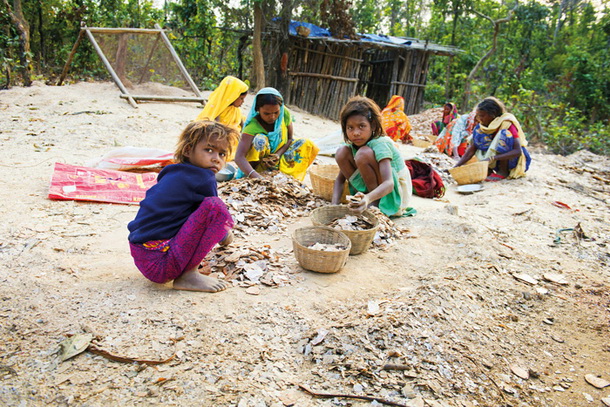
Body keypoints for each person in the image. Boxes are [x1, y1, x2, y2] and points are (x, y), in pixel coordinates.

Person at [128, 121, 238, 292]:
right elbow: (214, 216)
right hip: (160, 264)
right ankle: (188, 276)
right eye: (209, 150)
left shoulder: (172, 171)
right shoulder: (204, 178)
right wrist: (225, 235)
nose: (216, 158)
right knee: (216, 208)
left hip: (143, 256)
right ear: (188, 151)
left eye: (222, 154)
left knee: (207, 209)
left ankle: (186, 271)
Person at [332, 96, 412, 217]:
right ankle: (364, 200)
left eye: (362, 126)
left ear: (373, 126)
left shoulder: (380, 143)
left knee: (363, 154)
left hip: (395, 195)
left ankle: (374, 204)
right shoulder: (353, 145)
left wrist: (368, 198)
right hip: (371, 194)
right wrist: (333, 206)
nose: (356, 133)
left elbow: (389, 183)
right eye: (350, 128)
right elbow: (340, 180)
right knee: (341, 152)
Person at [234, 87, 319, 182]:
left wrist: (278, 155)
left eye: (276, 112)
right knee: (260, 140)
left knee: (306, 143)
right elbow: (239, 157)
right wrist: (256, 177)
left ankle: (290, 179)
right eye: (266, 113)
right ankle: (260, 176)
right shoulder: (252, 126)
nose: (272, 117)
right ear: (258, 109)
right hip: (260, 167)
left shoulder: (284, 114)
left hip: (281, 158)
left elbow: (290, 139)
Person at [454, 97, 531, 181]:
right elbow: (472, 150)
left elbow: (517, 151)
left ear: (493, 114)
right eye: (478, 116)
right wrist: (455, 168)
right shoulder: (482, 127)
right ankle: (488, 171)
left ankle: (503, 172)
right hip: (495, 161)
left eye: (482, 116)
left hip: (512, 162)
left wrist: (493, 158)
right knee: (476, 136)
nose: (480, 119)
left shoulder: (506, 124)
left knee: (504, 135)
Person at [195, 76, 248, 161]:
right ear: (233, 96)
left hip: (235, 139)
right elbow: (217, 129)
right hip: (222, 138)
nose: (243, 102)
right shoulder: (217, 109)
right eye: (241, 99)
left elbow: (243, 124)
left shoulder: (235, 110)